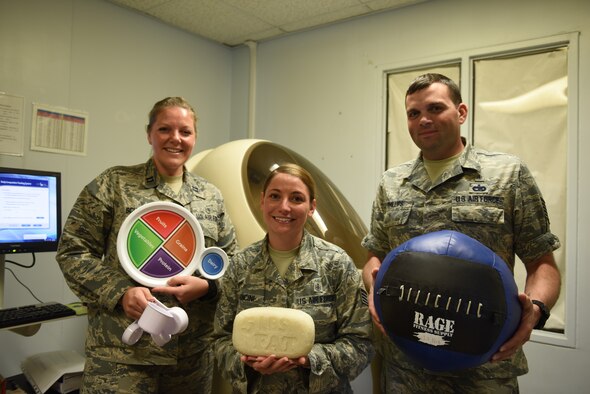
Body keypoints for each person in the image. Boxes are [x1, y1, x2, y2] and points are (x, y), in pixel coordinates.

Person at [362, 73, 561, 393]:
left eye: (435, 108)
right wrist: (373, 287)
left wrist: (534, 311)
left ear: (461, 113)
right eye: (413, 113)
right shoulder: (391, 182)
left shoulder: (507, 174)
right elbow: (375, 255)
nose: (424, 119)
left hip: (483, 366)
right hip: (405, 367)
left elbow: (542, 263)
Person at [56, 97, 238, 393]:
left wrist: (207, 288)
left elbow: (232, 264)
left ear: (195, 138)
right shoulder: (114, 184)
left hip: (190, 359)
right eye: (165, 129)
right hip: (122, 356)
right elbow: (73, 251)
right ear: (149, 133)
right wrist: (120, 292)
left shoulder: (211, 197)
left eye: (185, 132)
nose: (175, 139)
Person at [213, 163, 374, 393]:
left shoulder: (336, 264)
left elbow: (362, 345)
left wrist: (309, 359)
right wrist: (245, 362)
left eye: (297, 198)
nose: (284, 207)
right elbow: (220, 339)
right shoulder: (240, 265)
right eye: (275, 196)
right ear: (263, 201)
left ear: (311, 207)